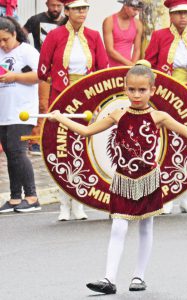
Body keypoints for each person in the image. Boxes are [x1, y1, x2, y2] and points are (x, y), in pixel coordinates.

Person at [47, 62, 187, 294]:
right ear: (124, 88)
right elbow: (87, 131)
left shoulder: (159, 117)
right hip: (123, 181)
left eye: (142, 90)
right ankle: (108, 279)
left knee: (146, 226)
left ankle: (139, 276)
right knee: (118, 227)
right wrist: (59, 118)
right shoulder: (117, 114)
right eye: (132, 90)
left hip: (149, 180)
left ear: (152, 90)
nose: (136, 95)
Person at [38, 0, 108, 221]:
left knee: (82, 150)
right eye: (77, 8)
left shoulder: (95, 36)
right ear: (66, 11)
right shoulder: (54, 36)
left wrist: (96, 98)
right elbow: (42, 70)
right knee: (62, 149)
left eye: (85, 8)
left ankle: (79, 202)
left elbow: (102, 70)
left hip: (87, 99)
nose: (82, 12)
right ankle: (63, 204)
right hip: (61, 98)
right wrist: (59, 81)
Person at [145, 0, 187, 214]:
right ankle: (165, 196)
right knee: (165, 145)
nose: (183, 17)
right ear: (170, 15)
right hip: (166, 99)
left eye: (186, 13)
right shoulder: (159, 36)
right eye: (178, 13)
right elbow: (148, 65)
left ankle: (185, 196)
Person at [0, 17, 41, 213]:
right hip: (3, 111)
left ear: (14, 33)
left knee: (18, 151)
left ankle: (32, 197)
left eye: (5, 39)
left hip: (22, 111)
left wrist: (14, 76)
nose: (2, 44)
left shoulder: (26, 51)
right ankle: (15, 197)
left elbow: (40, 75)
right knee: (10, 154)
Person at [23, 0, 64, 155]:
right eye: (52, 5)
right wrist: (28, 56)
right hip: (42, 68)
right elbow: (21, 35)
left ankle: (57, 139)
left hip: (61, 69)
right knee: (42, 104)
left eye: (58, 6)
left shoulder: (67, 21)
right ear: (46, 4)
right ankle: (35, 141)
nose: (55, 9)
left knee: (61, 104)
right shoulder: (35, 19)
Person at [102, 0, 143, 67]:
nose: (136, 13)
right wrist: (129, 64)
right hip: (111, 66)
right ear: (125, 6)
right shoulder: (109, 21)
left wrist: (133, 66)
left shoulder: (138, 24)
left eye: (138, 10)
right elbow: (110, 50)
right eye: (134, 9)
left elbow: (137, 49)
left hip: (129, 66)